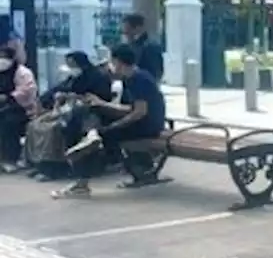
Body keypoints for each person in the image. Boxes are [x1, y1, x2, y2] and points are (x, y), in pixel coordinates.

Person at [53, 43, 167, 199]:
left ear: (118, 62)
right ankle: (91, 135)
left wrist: (115, 125)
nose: (110, 66)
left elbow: (139, 113)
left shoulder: (139, 79)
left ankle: (81, 183)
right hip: (143, 122)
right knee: (92, 110)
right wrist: (102, 104)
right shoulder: (133, 77)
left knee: (101, 138)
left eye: (111, 62)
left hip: (148, 126)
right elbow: (131, 108)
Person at [27, 52, 115, 180]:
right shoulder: (73, 78)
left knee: (53, 129)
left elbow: (98, 98)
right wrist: (45, 100)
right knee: (34, 125)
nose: (70, 67)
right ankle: (39, 164)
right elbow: (56, 90)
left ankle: (54, 168)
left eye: (72, 64)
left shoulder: (97, 77)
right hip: (66, 110)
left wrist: (73, 97)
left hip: (89, 113)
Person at [0, 44, 38, 173]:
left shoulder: (23, 72)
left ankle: (10, 159)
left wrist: (8, 97)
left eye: (4, 57)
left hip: (21, 108)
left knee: (8, 123)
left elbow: (28, 90)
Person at [122, 12, 165, 83]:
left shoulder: (150, 47)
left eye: (128, 29)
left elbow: (155, 72)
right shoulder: (131, 46)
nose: (125, 33)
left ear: (137, 28)